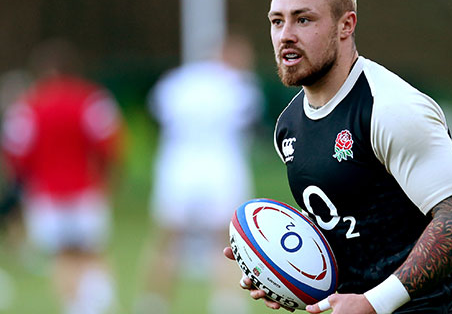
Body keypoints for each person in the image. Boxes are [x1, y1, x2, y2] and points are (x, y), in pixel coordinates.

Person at [223, 0, 452, 314]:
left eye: (303, 19)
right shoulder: (288, 126)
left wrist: (375, 303)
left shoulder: (392, 108)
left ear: (346, 25)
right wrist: (281, 273)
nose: (286, 34)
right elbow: (348, 229)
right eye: (277, 21)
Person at [136, 32, 263, 314]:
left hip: (178, 167)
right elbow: (248, 122)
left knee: (167, 239)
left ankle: (153, 303)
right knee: (228, 241)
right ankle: (227, 304)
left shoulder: (177, 80)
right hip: (220, 166)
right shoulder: (239, 86)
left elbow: (159, 114)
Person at [1, 38, 123, 314]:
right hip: (85, 190)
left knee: (62, 256)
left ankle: (75, 308)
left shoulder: (28, 107)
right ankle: (97, 306)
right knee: (93, 252)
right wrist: (108, 180)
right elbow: (109, 146)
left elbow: (16, 154)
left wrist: (21, 189)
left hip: (46, 194)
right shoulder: (91, 100)